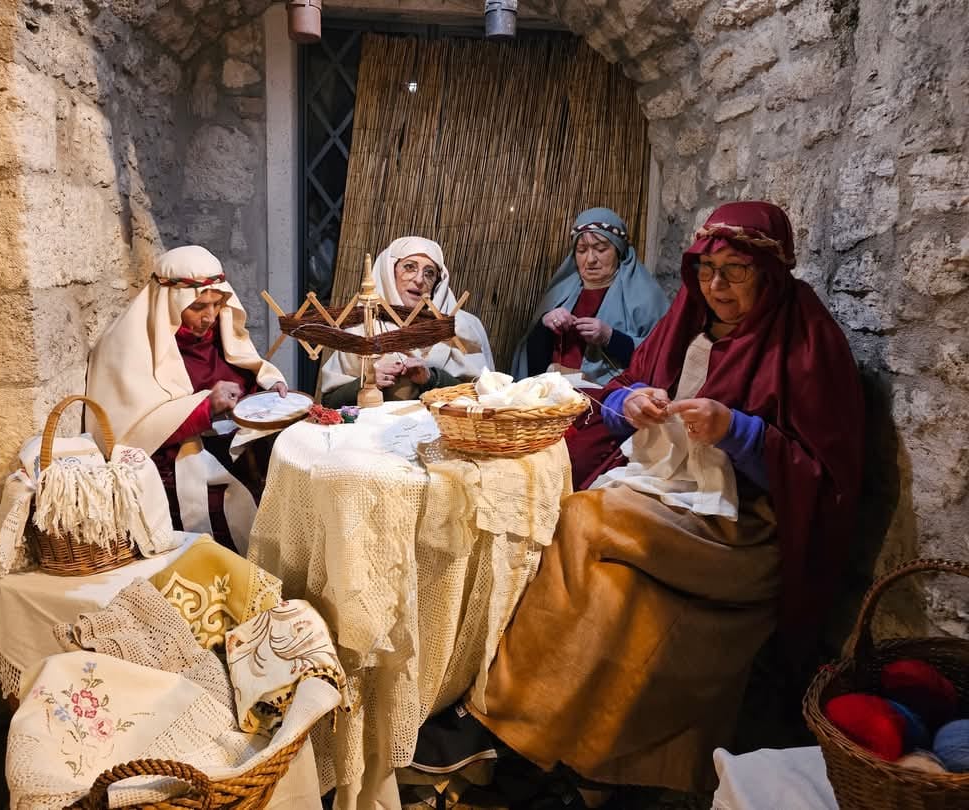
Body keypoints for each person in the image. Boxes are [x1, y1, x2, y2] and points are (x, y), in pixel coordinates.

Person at [412, 202, 865, 799]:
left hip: (741, 524)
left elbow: (825, 478)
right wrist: (628, 405)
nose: (717, 286)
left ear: (771, 272)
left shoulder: (804, 339)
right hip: (668, 491)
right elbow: (622, 388)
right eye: (707, 269)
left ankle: (506, 724)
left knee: (581, 519)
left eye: (736, 271)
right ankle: (555, 747)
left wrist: (739, 431)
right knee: (604, 587)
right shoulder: (688, 319)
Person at [85, 245, 288, 554]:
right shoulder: (126, 346)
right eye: (198, 307)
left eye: (217, 304)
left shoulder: (219, 332)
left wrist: (267, 390)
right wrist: (205, 407)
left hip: (230, 447)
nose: (210, 317)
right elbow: (127, 435)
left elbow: (246, 374)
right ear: (170, 303)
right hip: (171, 461)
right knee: (225, 508)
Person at [319, 236, 494, 407]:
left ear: (437, 282)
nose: (419, 280)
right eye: (409, 267)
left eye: (429, 273)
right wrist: (366, 382)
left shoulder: (461, 325)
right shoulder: (361, 326)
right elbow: (329, 402)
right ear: (389, 272)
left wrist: (431, 378)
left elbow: (484, 399)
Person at [511, 207, 668, 386]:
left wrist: (610, 338)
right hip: (553, 394)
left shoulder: (645, 297)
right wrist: (545, 324)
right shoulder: (560, 293)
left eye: (600, 249)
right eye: (581, 250)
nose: (590, 259)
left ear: (618, 250)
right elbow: (531, 361)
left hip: (610, 395)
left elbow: (661, 355)